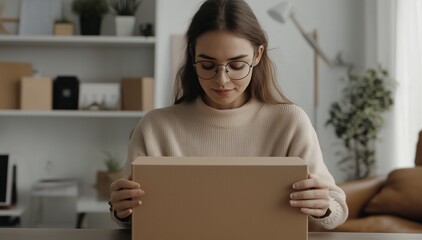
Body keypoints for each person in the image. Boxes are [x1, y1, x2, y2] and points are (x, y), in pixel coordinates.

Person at [109, 0, 348, 230]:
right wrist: (121, 209)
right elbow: (126, 216)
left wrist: (323, 207)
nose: (221, 80)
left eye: (236, 65)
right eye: (207, 65)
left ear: (257, 55)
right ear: (193, 55)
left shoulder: (290, 121)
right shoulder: (155, 127)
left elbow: (337, 211)